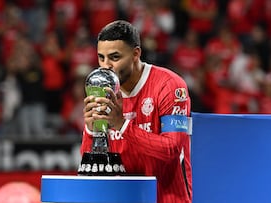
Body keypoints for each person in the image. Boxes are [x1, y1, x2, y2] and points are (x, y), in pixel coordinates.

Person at [80, 20, 192, 203]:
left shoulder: (170, 86)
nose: (105, 66)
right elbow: (91, 165)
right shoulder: (103, 92)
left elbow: (172, 149)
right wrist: (91, 130)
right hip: (123, 197)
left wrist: (121, 125)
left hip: (166, 197)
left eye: (114, 57)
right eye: (101, 57)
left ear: (135, 54)